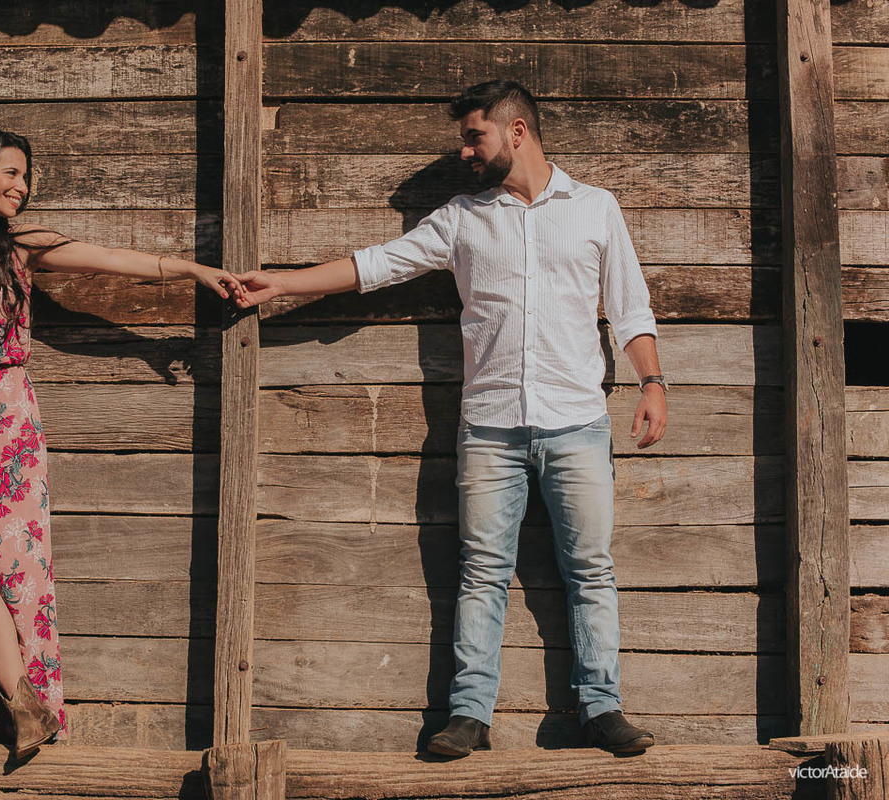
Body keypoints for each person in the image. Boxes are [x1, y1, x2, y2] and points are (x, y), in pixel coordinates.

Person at [230, 80, 668, 756]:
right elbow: (376, 264)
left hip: (577, 422)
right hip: (489, 425)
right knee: (481, 571)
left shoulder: (595, 209)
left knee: (589, 570)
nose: (466, 150)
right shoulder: (464, 217)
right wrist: (282, 282)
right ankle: (469, 714)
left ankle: (601, 708)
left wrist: (653, 382)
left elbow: (631, 306)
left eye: (475, 136)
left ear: (517, 131)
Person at [0, 127, 240, 759]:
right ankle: (19, 706)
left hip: (4, 420)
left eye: (26, 176)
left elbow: (111, 259)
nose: (22, 186)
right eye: (11, 173)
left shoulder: (22, 248)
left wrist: (188, 268)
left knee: (0, 568)